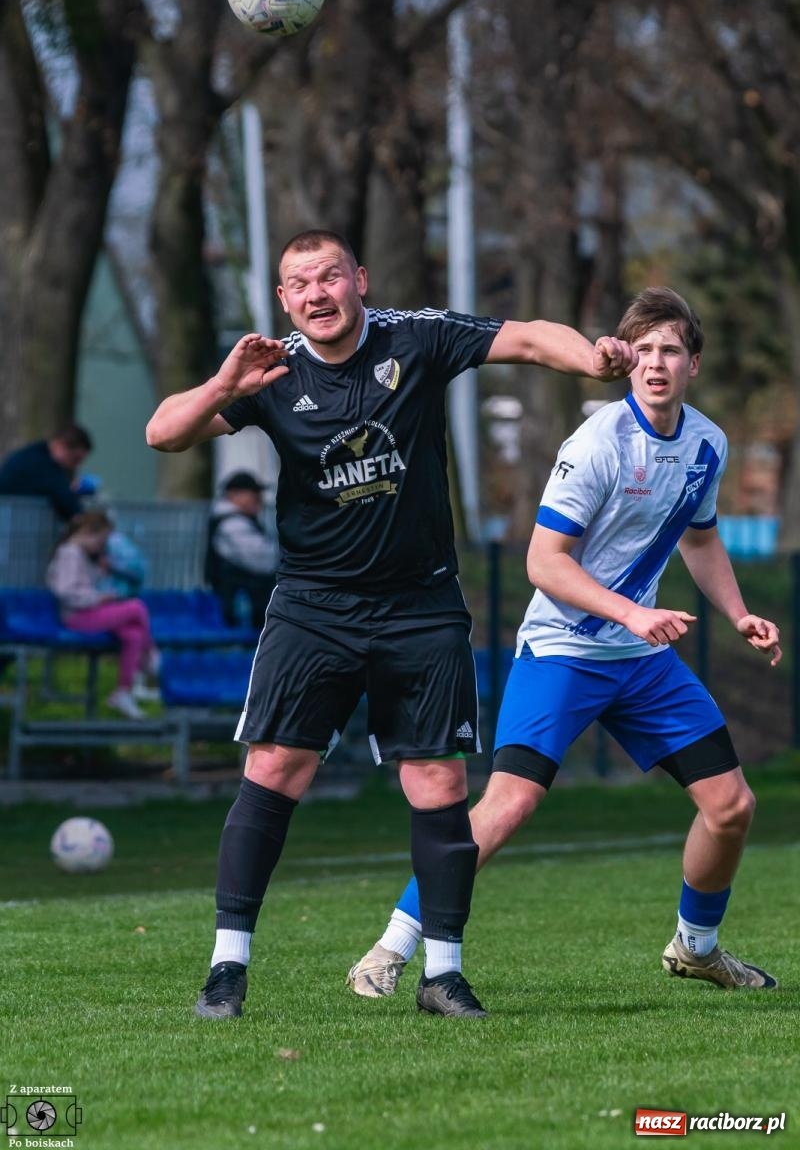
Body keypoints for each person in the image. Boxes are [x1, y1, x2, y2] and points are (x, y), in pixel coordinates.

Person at [145, 228, 636, 1021]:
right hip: (313, 608)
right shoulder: (268, 374)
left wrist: (592, 359)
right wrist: (222, 383)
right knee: (274, 773)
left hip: (421, 606)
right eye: (299, 283)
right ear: (283, 300)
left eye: (329, 276)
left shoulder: (418, 337)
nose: (316, 293)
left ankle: (442, 976)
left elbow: (532, 338)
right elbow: (163, 433)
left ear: (359, 280)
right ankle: (225, 970)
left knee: (438, 782)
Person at [348, 286, 782, 1000]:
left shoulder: (708, 443)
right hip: (564, 651)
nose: (654, 363)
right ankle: (391, 947)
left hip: (640, 662)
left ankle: (696, 948)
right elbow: (543, 563)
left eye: (670, 349)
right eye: (641, 350)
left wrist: (738, 613)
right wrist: (632, 614)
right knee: (508, 805)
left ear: (693, 364)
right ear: (627, 362)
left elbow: (699, 538)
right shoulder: (599, 442)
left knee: (732, 806)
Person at [46, 511, 160, 720]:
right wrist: (98, 598)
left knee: (132, 634)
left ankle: (123, 691)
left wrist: (103, 576)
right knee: (136, 607)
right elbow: (66, 591)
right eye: (101, 541)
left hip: (89, 610)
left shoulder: (83, 555)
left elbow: (84, 582)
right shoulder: (70, 553)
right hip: (78, 615)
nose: (102, 547)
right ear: (89, 533)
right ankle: (150, 658)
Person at [205, 471, 278, 628]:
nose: (259, 498)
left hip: (241, 612)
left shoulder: (236, 520)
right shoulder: (231, 524)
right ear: (234, 495)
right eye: (254, 493)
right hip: (240, 616)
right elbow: (265, 561)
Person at [0, 424, 94, 520]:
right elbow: (68, 504)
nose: (76, 465)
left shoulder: (36, 455)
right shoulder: (41, 463)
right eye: (75, 459)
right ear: (60, 445)